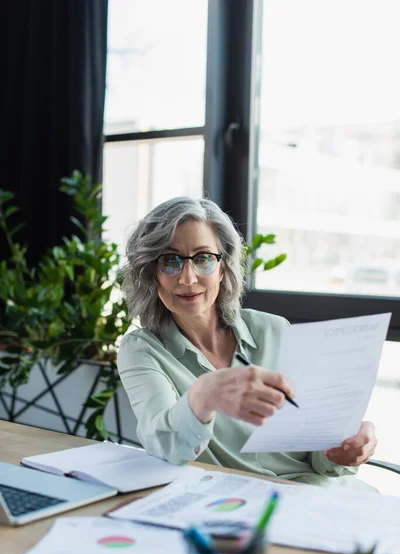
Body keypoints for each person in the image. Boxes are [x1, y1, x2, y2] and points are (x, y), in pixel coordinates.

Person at [117, 197, 377, 488]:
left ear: (223, 267)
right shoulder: (141, 350)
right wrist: (203, 395)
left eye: (203, 258)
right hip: (234, 504)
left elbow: (319, 455)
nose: (188, 278)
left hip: (319, 494)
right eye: (170, 261)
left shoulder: (275, 330)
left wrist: (344, 447)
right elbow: (164, 447)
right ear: (151, 273)